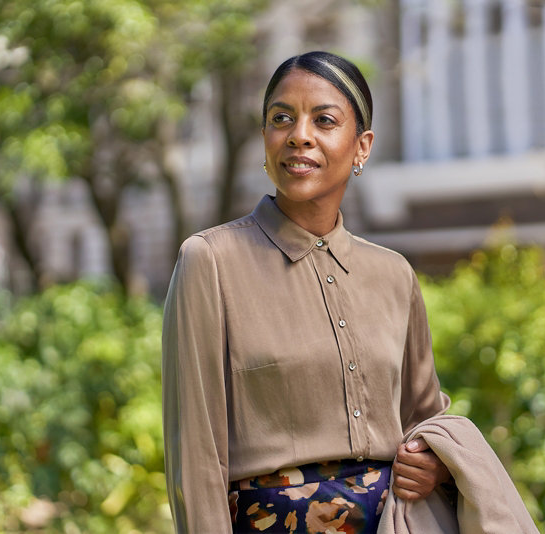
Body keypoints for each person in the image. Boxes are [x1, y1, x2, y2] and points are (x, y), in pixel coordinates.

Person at [162, 51, 453, 534]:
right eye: (282, 118)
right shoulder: (210, 261)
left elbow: (427, 421)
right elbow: (195, 457)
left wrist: (435, 463)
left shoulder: (394, 275)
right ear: (265, 139)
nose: (299, 134)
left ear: (361, 147)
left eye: (324, 120)